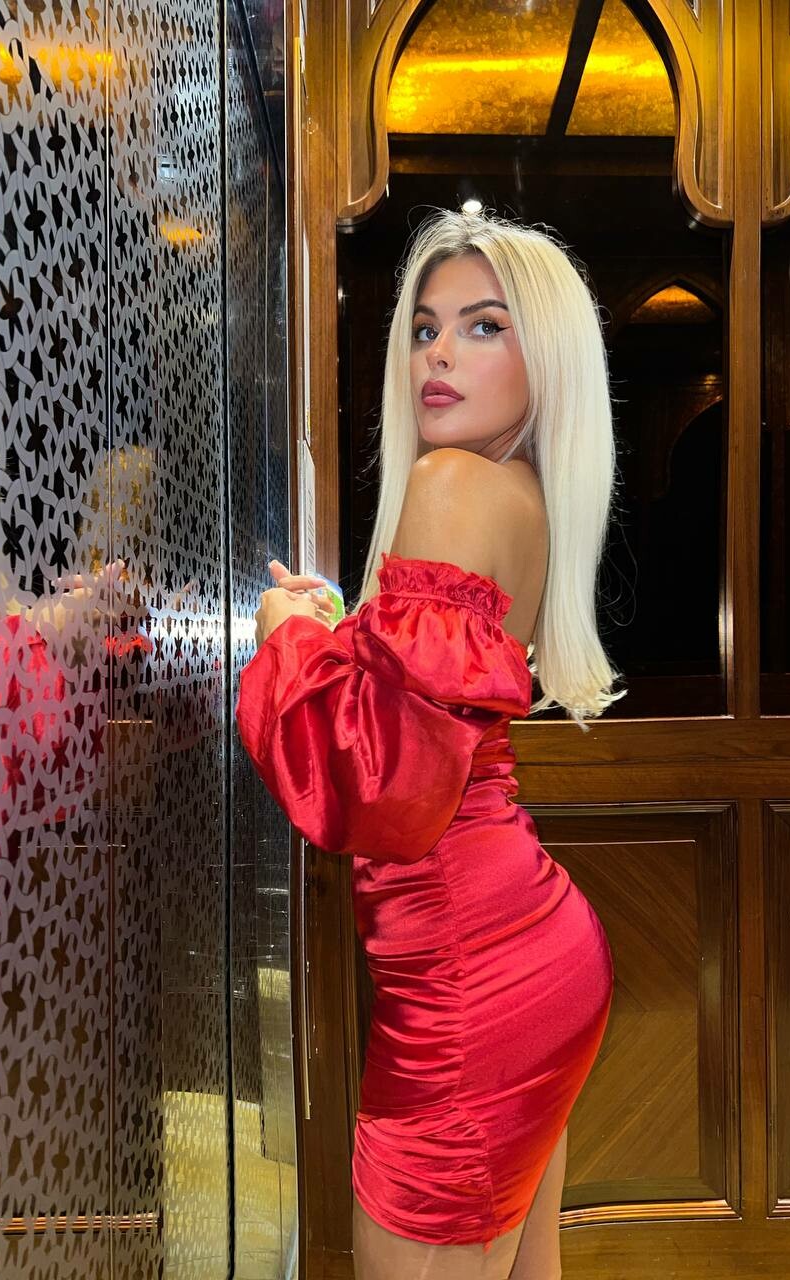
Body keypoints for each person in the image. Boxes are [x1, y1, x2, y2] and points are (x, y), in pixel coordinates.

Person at [236, 206, 626, 1279]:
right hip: (524, 949)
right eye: (425, 326)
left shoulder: (454, 485)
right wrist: (331, 632)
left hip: (469, 979)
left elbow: (379, 790)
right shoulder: (520, 494)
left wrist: (283, 641)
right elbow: (415, 717)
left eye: (484, 325)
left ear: (547, 359)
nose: (439, 352)